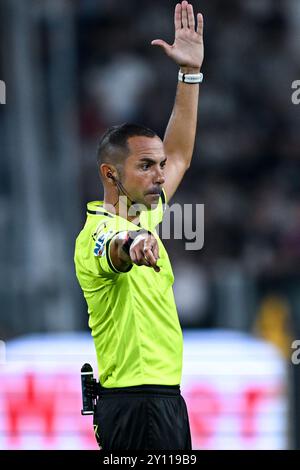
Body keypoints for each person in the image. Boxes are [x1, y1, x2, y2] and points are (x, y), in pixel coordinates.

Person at [74, 0, 204, 451]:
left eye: (158, 166)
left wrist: (189, 75)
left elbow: (182, 154)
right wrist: (134, 247)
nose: (159, 174)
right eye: (146, 165)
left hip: (165, 402)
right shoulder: (97, 234)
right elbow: (116, 248)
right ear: (111, 175)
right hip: (135, 407)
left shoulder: (145, 211)